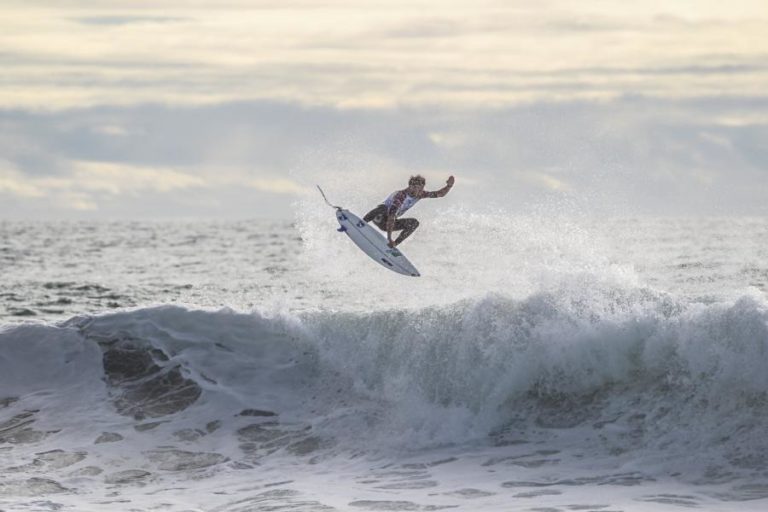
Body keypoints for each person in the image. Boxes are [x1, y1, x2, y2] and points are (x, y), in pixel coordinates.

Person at [363, 175, 455, 248]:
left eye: (420, 188)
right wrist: (389, 237)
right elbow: (391, 217)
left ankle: (394, 244)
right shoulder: (401, 196)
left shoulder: (420, 194)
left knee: (414, 223)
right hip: (378, 218)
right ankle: (362, 222)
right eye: (416, 188)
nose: (418, 191)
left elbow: (439, 194)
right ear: (410, 186)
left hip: (388, 224)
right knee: (384, 208)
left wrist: (449, 186)